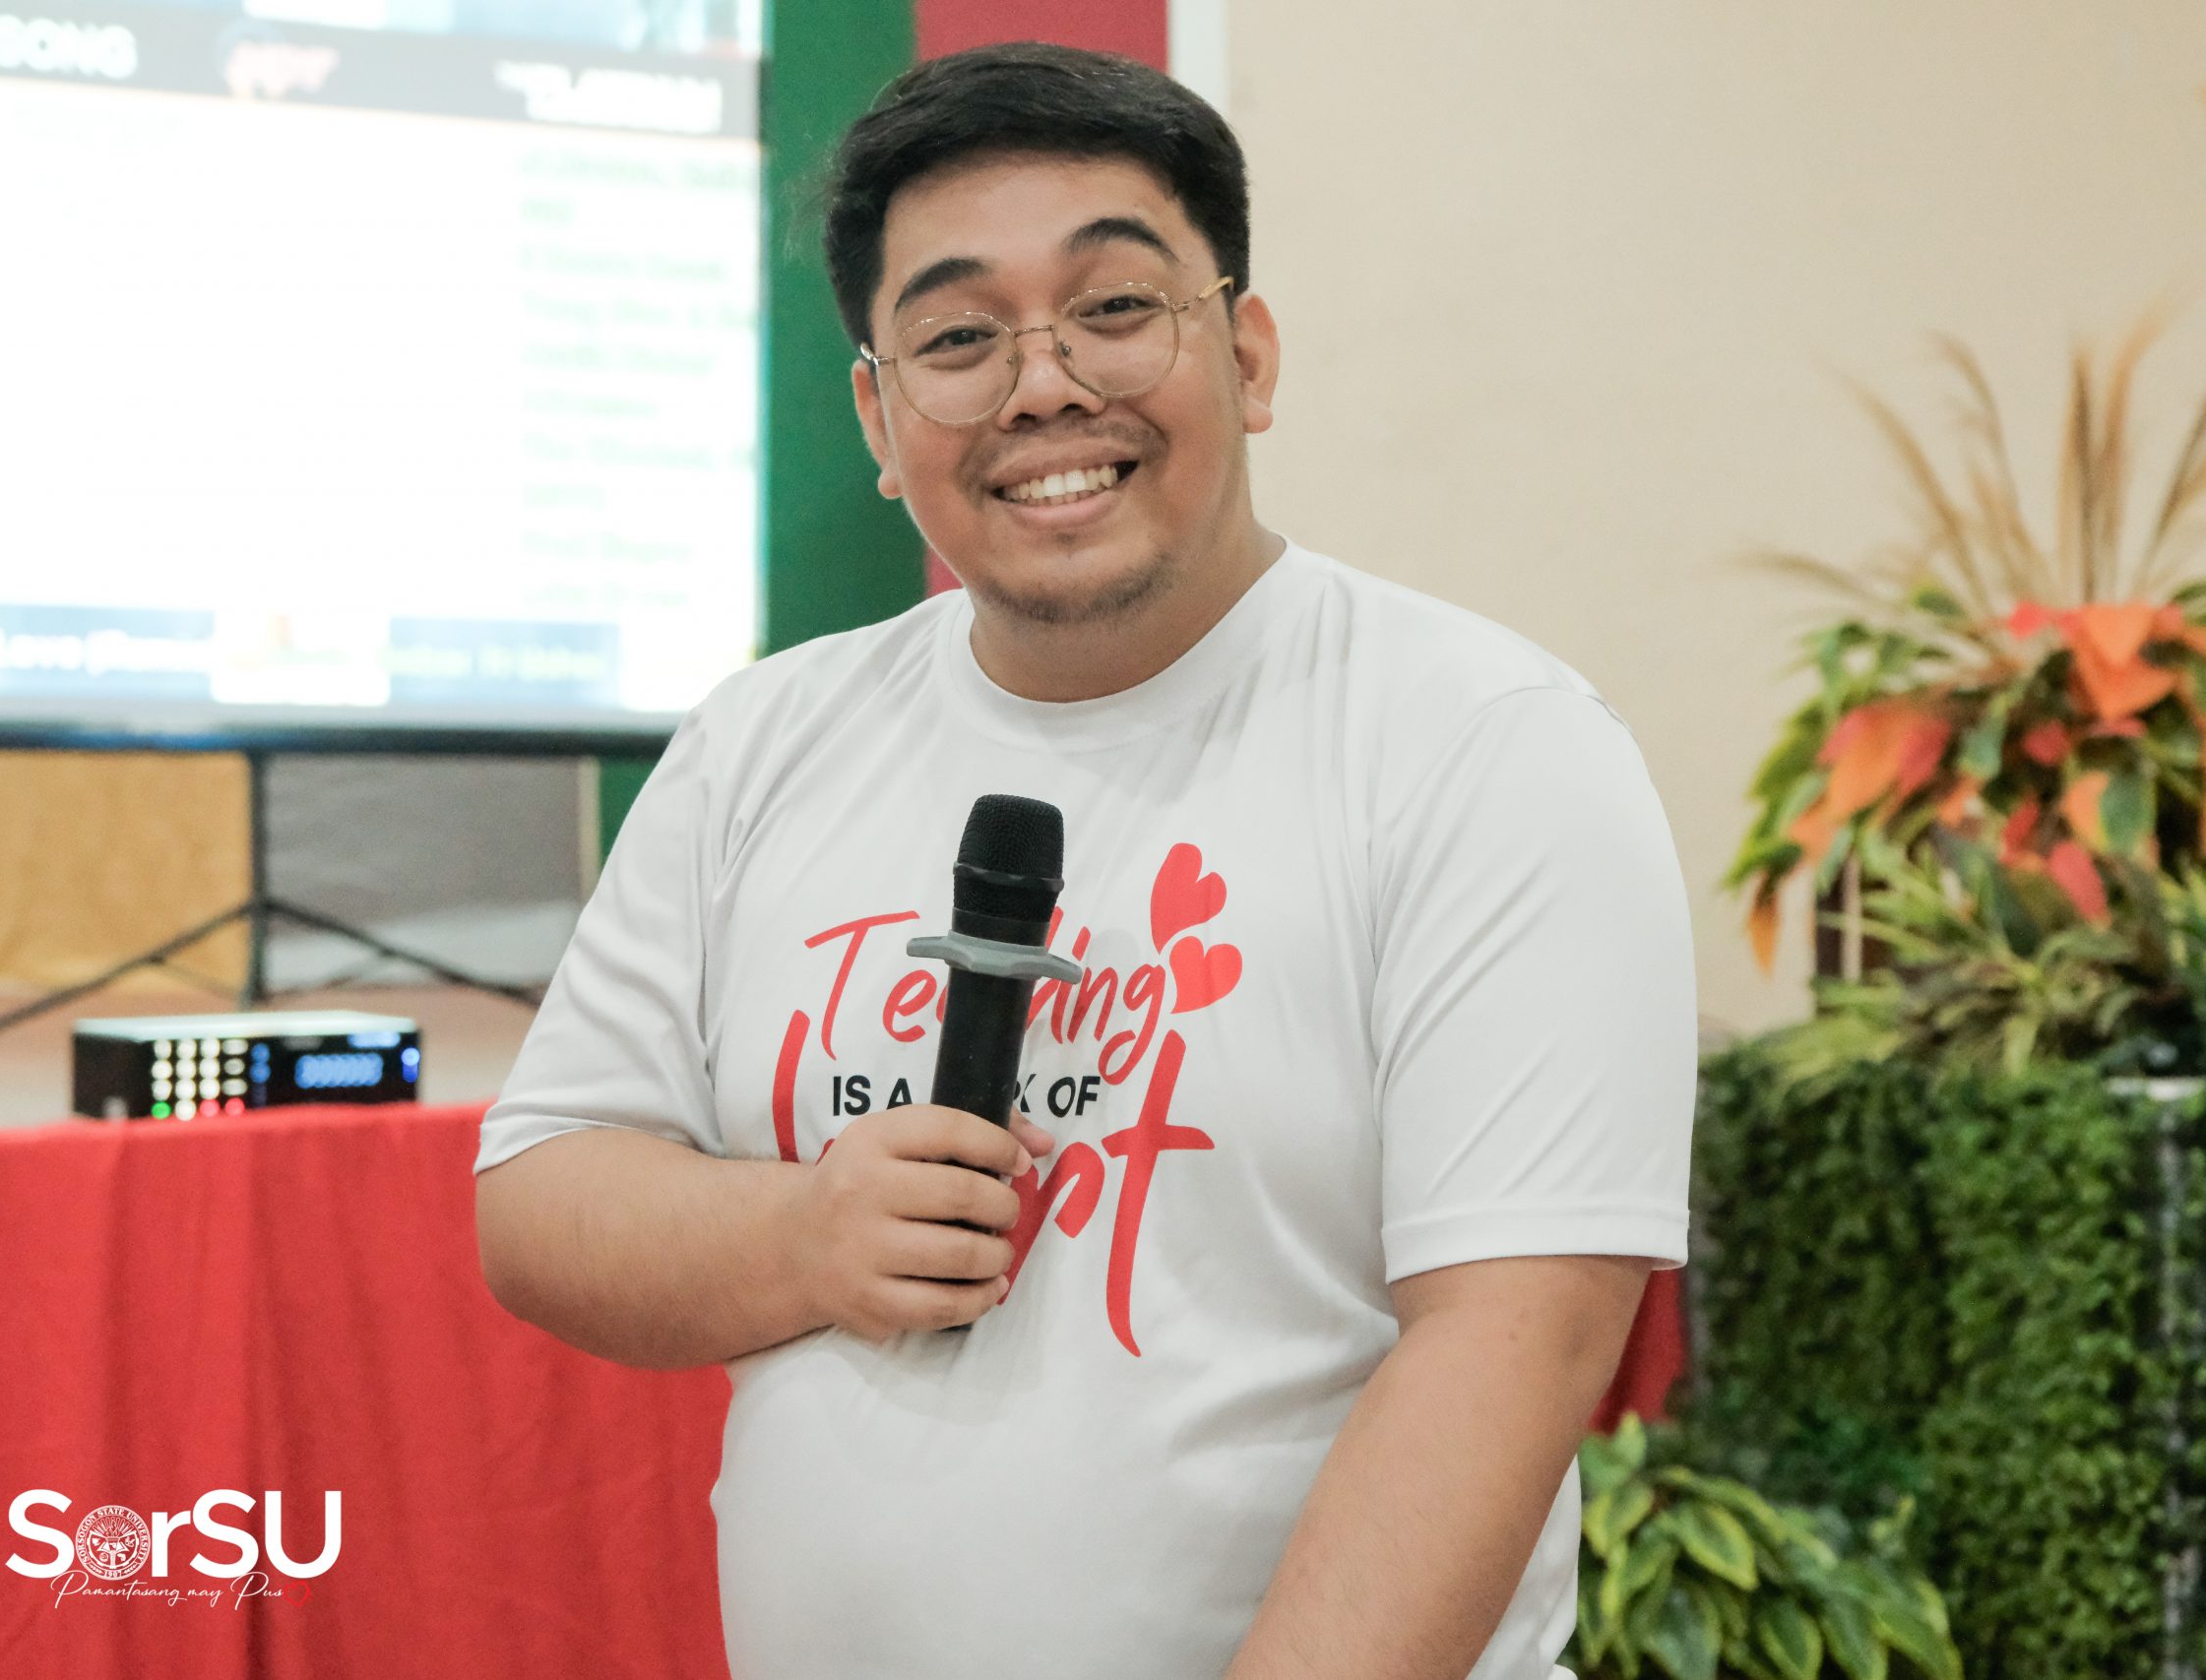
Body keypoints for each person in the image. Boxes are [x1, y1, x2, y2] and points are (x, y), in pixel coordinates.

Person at [473, 40, 1696, 1680]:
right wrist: (803, 1235)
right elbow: (543, 1197)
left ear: (1247, 354)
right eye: (959, 338)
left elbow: (1514, 1346)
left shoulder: (1490, 748)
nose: (1043, 386)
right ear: (879, 416)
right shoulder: (762, 741)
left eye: (1115, 308)